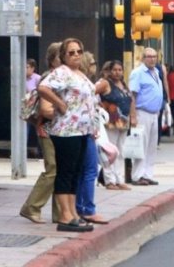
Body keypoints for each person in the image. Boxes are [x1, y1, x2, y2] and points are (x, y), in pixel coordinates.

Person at [37, 38, 96, 233]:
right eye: (71, 52)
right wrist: (60, 104)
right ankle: (64, 215)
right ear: (63, 56)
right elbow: (43, 88)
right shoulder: (61, 73)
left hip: (82, 130)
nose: (76, 55)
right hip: (66, 130)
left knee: (76, 172)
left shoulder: (80, 74)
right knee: (66, 171)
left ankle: (73, 213)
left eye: (79, 51)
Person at [20, 42, 62, 225]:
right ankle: (32, 207)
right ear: (53, 60)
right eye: (62, 55)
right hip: (47, 128)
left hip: (60, 130)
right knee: (53, 169)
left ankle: (60, 213)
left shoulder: (62, 77)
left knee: (60, 170)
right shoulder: (49, 78)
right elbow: (46, 110)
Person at [73, 51, 107, 225]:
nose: (95, 65)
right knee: (90, 169)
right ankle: (87, 208)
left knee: (84, 170)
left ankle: (81, 206)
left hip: (87, 129)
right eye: (92, 62)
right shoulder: (84, 83)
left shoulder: (85, 81)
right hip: (83, 130)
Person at [128, 48, 163, 186]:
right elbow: (132, 95)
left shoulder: (156, 72)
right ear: (143, 58)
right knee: (141, 145)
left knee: (151, 146)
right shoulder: (138, 73)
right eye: (149, 57)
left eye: (154, 56)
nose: (152, 59)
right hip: (142, 112)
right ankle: (137, 175)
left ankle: (148, 174)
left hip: (155, 113)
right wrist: (133, 115)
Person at [96, 60, 134, 190]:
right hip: (111, 122)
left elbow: (131, 100)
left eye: (120, 70)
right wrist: (100, 107)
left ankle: (119, 179)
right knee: (110, 151)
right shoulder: (106, 83)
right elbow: (92, 92)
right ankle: (109, 180)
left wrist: (133, 116)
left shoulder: (123, 84)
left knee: (121, 151)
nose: (117, 72)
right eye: (115, 70)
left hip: (123, 122)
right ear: (110, 71)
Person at [26, 58, 42, 157]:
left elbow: (40, 92)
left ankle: (40, 151)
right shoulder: (20, 79)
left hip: (35, 107)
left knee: (38, 129)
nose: (25, 69)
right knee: (24, 129)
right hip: (25, 107)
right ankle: (21, 151)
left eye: (27, 67)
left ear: (33, 68)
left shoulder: (37, 78)